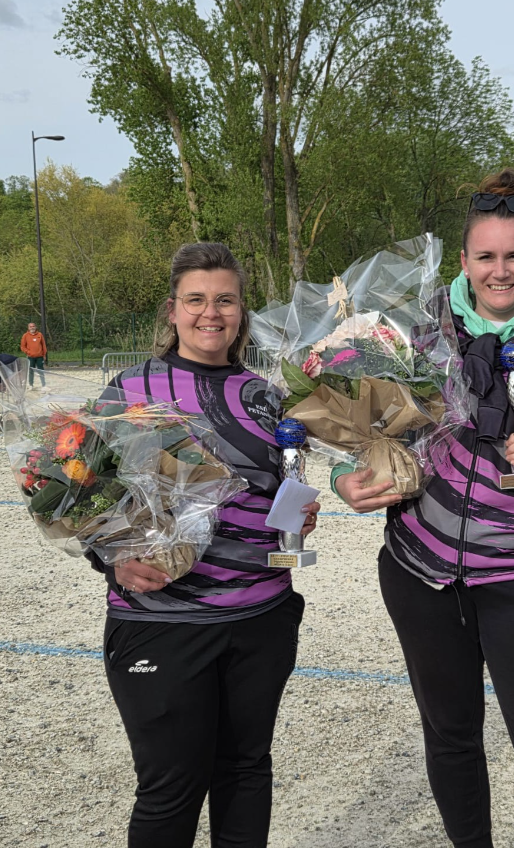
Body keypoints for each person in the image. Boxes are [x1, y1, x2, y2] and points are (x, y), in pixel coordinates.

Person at [334, 168, 514, 848]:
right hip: (421, 575)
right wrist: (346, 478)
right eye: (485, 256)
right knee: (450, 737)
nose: (499, 270)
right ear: (463, 261)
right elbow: (364, 428)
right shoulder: (414, 337)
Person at [91, 243, 321, 848]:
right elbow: (80, 493)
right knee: (170, 789)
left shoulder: (267, 396)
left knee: (246, 772)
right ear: (172, 310)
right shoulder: (130, 391)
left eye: (225, 300)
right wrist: (110, 557)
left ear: (242, 311)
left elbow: (282, 487)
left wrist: (298, 515)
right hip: (163, 619)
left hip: (260, 615)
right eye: (196, 300)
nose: (210, 313)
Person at [20, 321, 47, 388]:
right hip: (30, 357)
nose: (32, 328)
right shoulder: (25, 335)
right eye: (30, 326)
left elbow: (43, 345)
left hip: (39, 356)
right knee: (31, 370)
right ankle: (31, 384)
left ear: (36, 327)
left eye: (33, 326)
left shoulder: (40, 335)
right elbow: (22, 347)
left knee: (41, 370)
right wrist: (28, 352)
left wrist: (44, 354)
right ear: (28, 328)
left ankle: (44, 384)